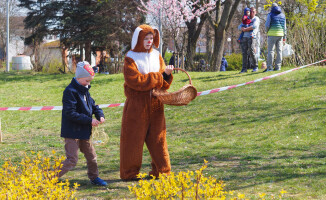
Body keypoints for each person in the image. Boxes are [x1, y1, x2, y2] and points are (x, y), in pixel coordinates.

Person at [120, 24, 174, 180]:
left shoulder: (157, 55)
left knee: (158, 138)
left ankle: (162, 171)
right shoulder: (130, 57)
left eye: (151, 38)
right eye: (146, 38)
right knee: (132, 139)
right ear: (138, 39)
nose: (149, 41)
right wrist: (158, 76)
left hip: (157, 104)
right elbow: (135, 81)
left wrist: (167, 75)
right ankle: (129, 173)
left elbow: (164, 83)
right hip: (136, 105)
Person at [58, 61, 108, 186]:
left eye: (90, 81)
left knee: (92, 156)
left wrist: (100, 115)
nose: (88, 84)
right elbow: (70, 113)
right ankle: (48, 177)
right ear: (78, 77)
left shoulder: (85, 90)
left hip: (85, 132)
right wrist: (89, 120)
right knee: (72, 160)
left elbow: (93, 105)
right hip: (72, 132)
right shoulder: (70, 91)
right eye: (87, 81)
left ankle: (94, 177)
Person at [265, 3, 287, 72]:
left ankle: (270, 67)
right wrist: (284, 37)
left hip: (272, 34)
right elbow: (285, 27)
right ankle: (278, 67)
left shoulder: (270, 14)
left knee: (271, 51)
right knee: (279, 51)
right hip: (280, 35)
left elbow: (267, 25)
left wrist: (267, 32)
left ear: (272, 8)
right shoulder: (283, 15)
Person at [238, 7, 260, 73]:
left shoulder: (256, 18)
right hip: (244, 37)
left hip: (252, 37)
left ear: (255, 12)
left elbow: (254, 26)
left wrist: (245, 29)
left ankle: (255, 66)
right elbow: (239, 27)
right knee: (244, 53)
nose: (252, 13)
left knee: (251, 51)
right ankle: (244, 68)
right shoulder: (246, 18)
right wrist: (242, 28)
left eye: (253, 11)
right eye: (251, 11)